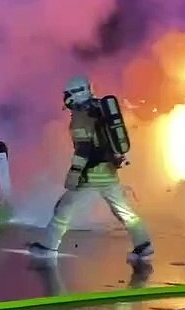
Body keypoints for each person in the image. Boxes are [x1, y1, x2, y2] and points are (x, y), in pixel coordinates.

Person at [28, 76, 152, 266]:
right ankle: (144, 245)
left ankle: (48, 247)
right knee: (125, 212)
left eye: (68, 94)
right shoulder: (101, 109)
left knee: (64, 210)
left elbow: (83, 150)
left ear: (77, 93)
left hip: (90, 176)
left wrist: (74, 174)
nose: (66, 98)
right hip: (109, 173)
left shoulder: (80, 117)